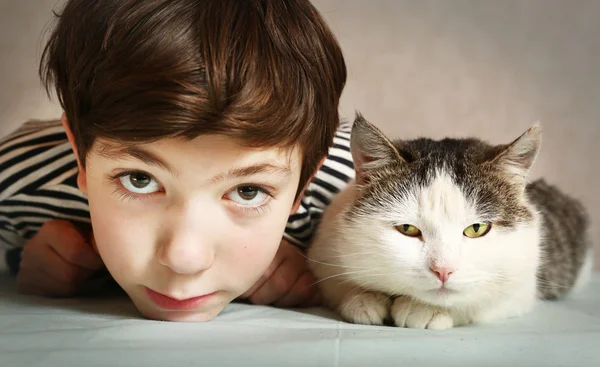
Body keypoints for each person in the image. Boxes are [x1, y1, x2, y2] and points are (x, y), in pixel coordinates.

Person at [0, 0, 354, 322]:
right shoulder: (16, 180)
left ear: (304, 184)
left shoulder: (351, 193)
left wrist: (322, 270)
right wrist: (17, 261)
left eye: (248, 191)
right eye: (139, 179)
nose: (185, 259)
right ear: (79, 155)